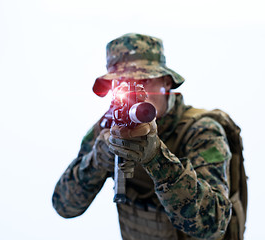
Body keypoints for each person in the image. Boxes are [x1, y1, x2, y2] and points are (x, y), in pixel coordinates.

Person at [52, 33, 243, 240]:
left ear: (166, 83)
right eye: (122, 84)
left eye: (144, 81)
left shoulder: (202, 131)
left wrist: (157, 158)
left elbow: (213, 223)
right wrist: (98, 160)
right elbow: (64, 205)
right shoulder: (106, 129)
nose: (134, 94)